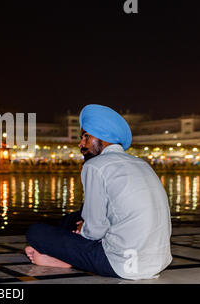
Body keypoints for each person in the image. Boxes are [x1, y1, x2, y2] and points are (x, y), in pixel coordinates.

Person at [25, 104, 172, 280]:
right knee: (73, 218)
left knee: (36, 232)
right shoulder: (141, 163)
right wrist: (84, 225)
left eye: (86, 137)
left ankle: (64, 258)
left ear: (104, 137)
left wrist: (83, 231)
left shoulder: (94, 166)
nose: (81, 144)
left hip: (122, 264)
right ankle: (62, 253)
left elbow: (94, 231)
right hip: (158, 261)